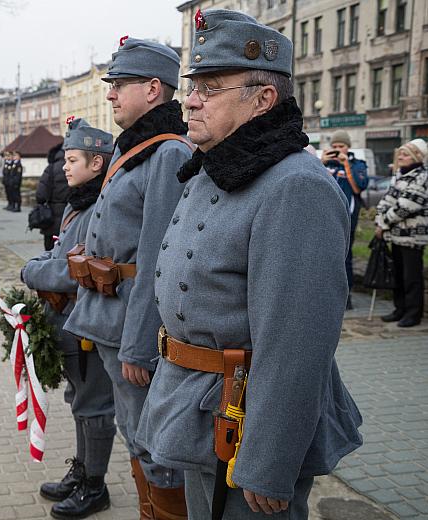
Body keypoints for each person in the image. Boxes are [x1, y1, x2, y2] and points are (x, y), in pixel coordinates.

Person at [138, 10, 363, 520]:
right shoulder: (212, 167)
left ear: (263, 99)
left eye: (210, 87)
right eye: (194, 85)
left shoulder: (295, 186)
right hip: (197, 407)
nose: (190, 99)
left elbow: (297, 345)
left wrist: (269, 460)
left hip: (248, 426)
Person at [63, 36, 193, 519]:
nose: (111, 94)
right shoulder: (135, 147)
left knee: (152, 441)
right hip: (109, 318)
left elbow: (160, 256)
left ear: (154, 89)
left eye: (120, 85)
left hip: (131, 329)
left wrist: (141, 344)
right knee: (133, 432)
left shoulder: (166, 154)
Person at [22, 118, 117, 519]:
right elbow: (60, 253)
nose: (64, 166)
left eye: (73, 159)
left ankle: (95, 486)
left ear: (97, 163)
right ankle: (82, 472)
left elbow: (74, 270)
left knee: (95, 404)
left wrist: (31, 272)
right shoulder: (79, 204)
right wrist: (38, 263)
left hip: (88, 325)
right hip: (70, 321)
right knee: (79, 399)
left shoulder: (101, 208)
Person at [375, 139, 428, 327]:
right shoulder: (399, 175)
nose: (401, 157)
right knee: (398, 274)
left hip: (413, 236)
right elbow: (387, 199)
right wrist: (379, 217)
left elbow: (406, 206)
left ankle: (413, 314)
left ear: (417, 156)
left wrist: (383, 223)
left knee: (411, 276)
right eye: (401, 154)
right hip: (396, 235)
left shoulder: (422, 176)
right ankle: (400, 309)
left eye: (405, 154)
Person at [321, 130, 368, 309]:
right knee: (324, 255)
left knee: (345, 256)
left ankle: (346, 298)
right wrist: (321, 162)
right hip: (325, 215)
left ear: (348, 147)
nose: (337, 150)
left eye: (341, 146)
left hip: (347, 216)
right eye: (334, 147)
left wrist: (346, 164)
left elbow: (358, 188)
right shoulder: (325, 163)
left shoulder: (357, 164)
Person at [36, 142, 70, 251]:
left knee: (50, 251)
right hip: (70, 216)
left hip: (52, 219)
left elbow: (40, 195)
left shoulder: (50, 169)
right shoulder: (77, 168)